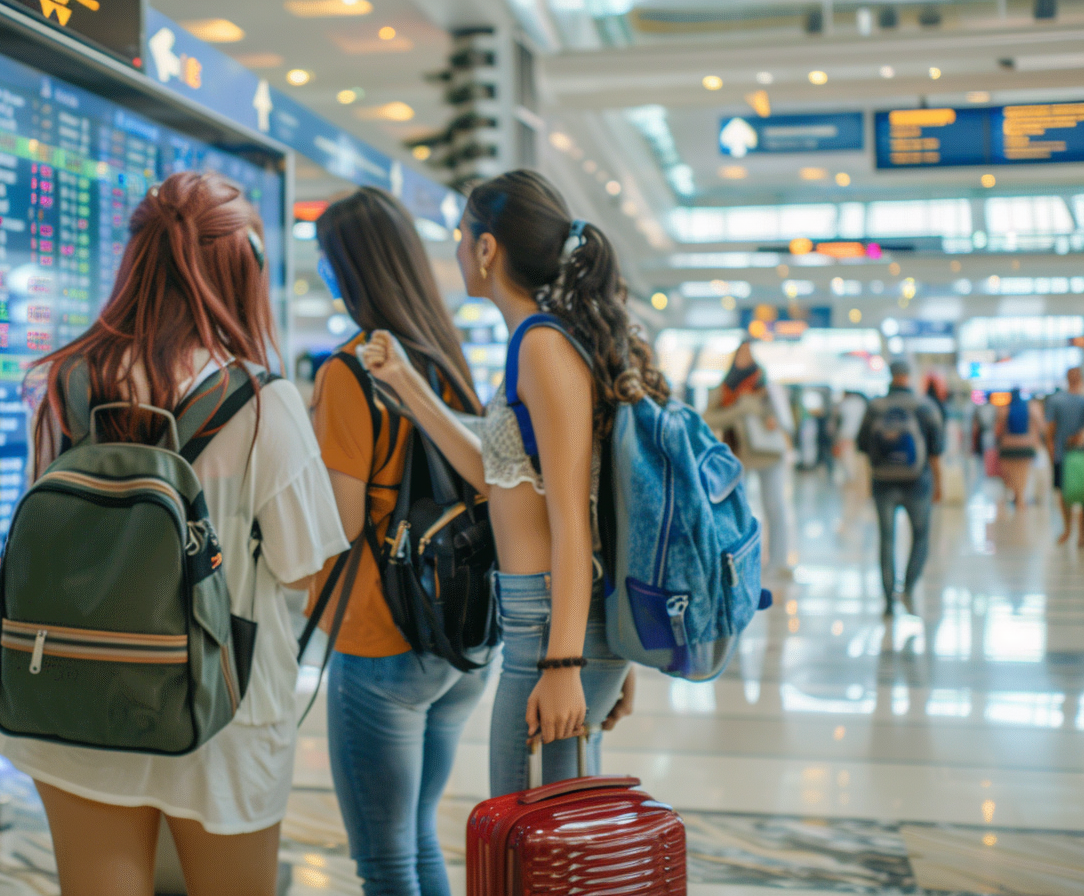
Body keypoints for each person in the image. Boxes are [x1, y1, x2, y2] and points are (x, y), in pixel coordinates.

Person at [4, 172, 348, 896]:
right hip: (224, 703)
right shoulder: (261, 401)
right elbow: (300, 569)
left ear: (133, 260)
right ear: (242, 266)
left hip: (72, 689)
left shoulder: (63, 381)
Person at [358, 170, 642, 799]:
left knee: (529, 846)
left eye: (462, 235)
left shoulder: (544, 346)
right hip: (545, 622)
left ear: (487, 250)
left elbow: (575, 518)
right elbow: (499, 481)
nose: (458, 249)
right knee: (536, 842)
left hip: (551, 628)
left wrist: (569, 662)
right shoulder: (533, 343)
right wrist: (407, 384)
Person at [306, 188, 490, 896]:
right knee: (417, 836)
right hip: (461, 636)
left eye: (326, 260)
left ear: (347, 270)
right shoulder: (444, 360)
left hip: (382, 639)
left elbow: (340, 522)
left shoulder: (352, 371)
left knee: (385, 862)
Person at [858, 359, 944, 617]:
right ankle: (907, 589)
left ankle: (887, 602)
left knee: (887, 540)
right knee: (920, 537)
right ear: (909, 375)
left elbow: (862, 445)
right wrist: (940, 483)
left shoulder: (875, 407)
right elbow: (936, 450)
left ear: (890, 376)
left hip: (883, 482)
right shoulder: (924, 406)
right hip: (918, 482)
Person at [703, 342, 795, 577]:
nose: (745, 358)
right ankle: (740, 560)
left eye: (748, 353)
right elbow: (707, 419)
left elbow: (783, 416)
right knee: (738, 511)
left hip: (769, 454)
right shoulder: (725, 388)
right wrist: (739, 410)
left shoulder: (765, 385)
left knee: (775, 507)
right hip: (740, 456)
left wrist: (770, 417)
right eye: (741, 353)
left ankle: (778, 562)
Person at [1045, 366, 1084, 545]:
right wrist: (1051, 450)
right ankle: (1069, 529)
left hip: (1076, 452)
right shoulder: (1057, 401)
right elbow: (1050, 429)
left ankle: (1080, 533)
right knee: (1064, 492)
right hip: (1063, 454)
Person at [996, 387, 1043, 508]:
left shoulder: (1005, 408)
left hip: (1008, 446)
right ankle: (1020, 497)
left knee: (1011, 473)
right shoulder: (1031, 407)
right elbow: (1039, 425)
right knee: (1023, 473)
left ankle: (1017, 495)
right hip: (1026, 444)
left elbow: (999, 429)